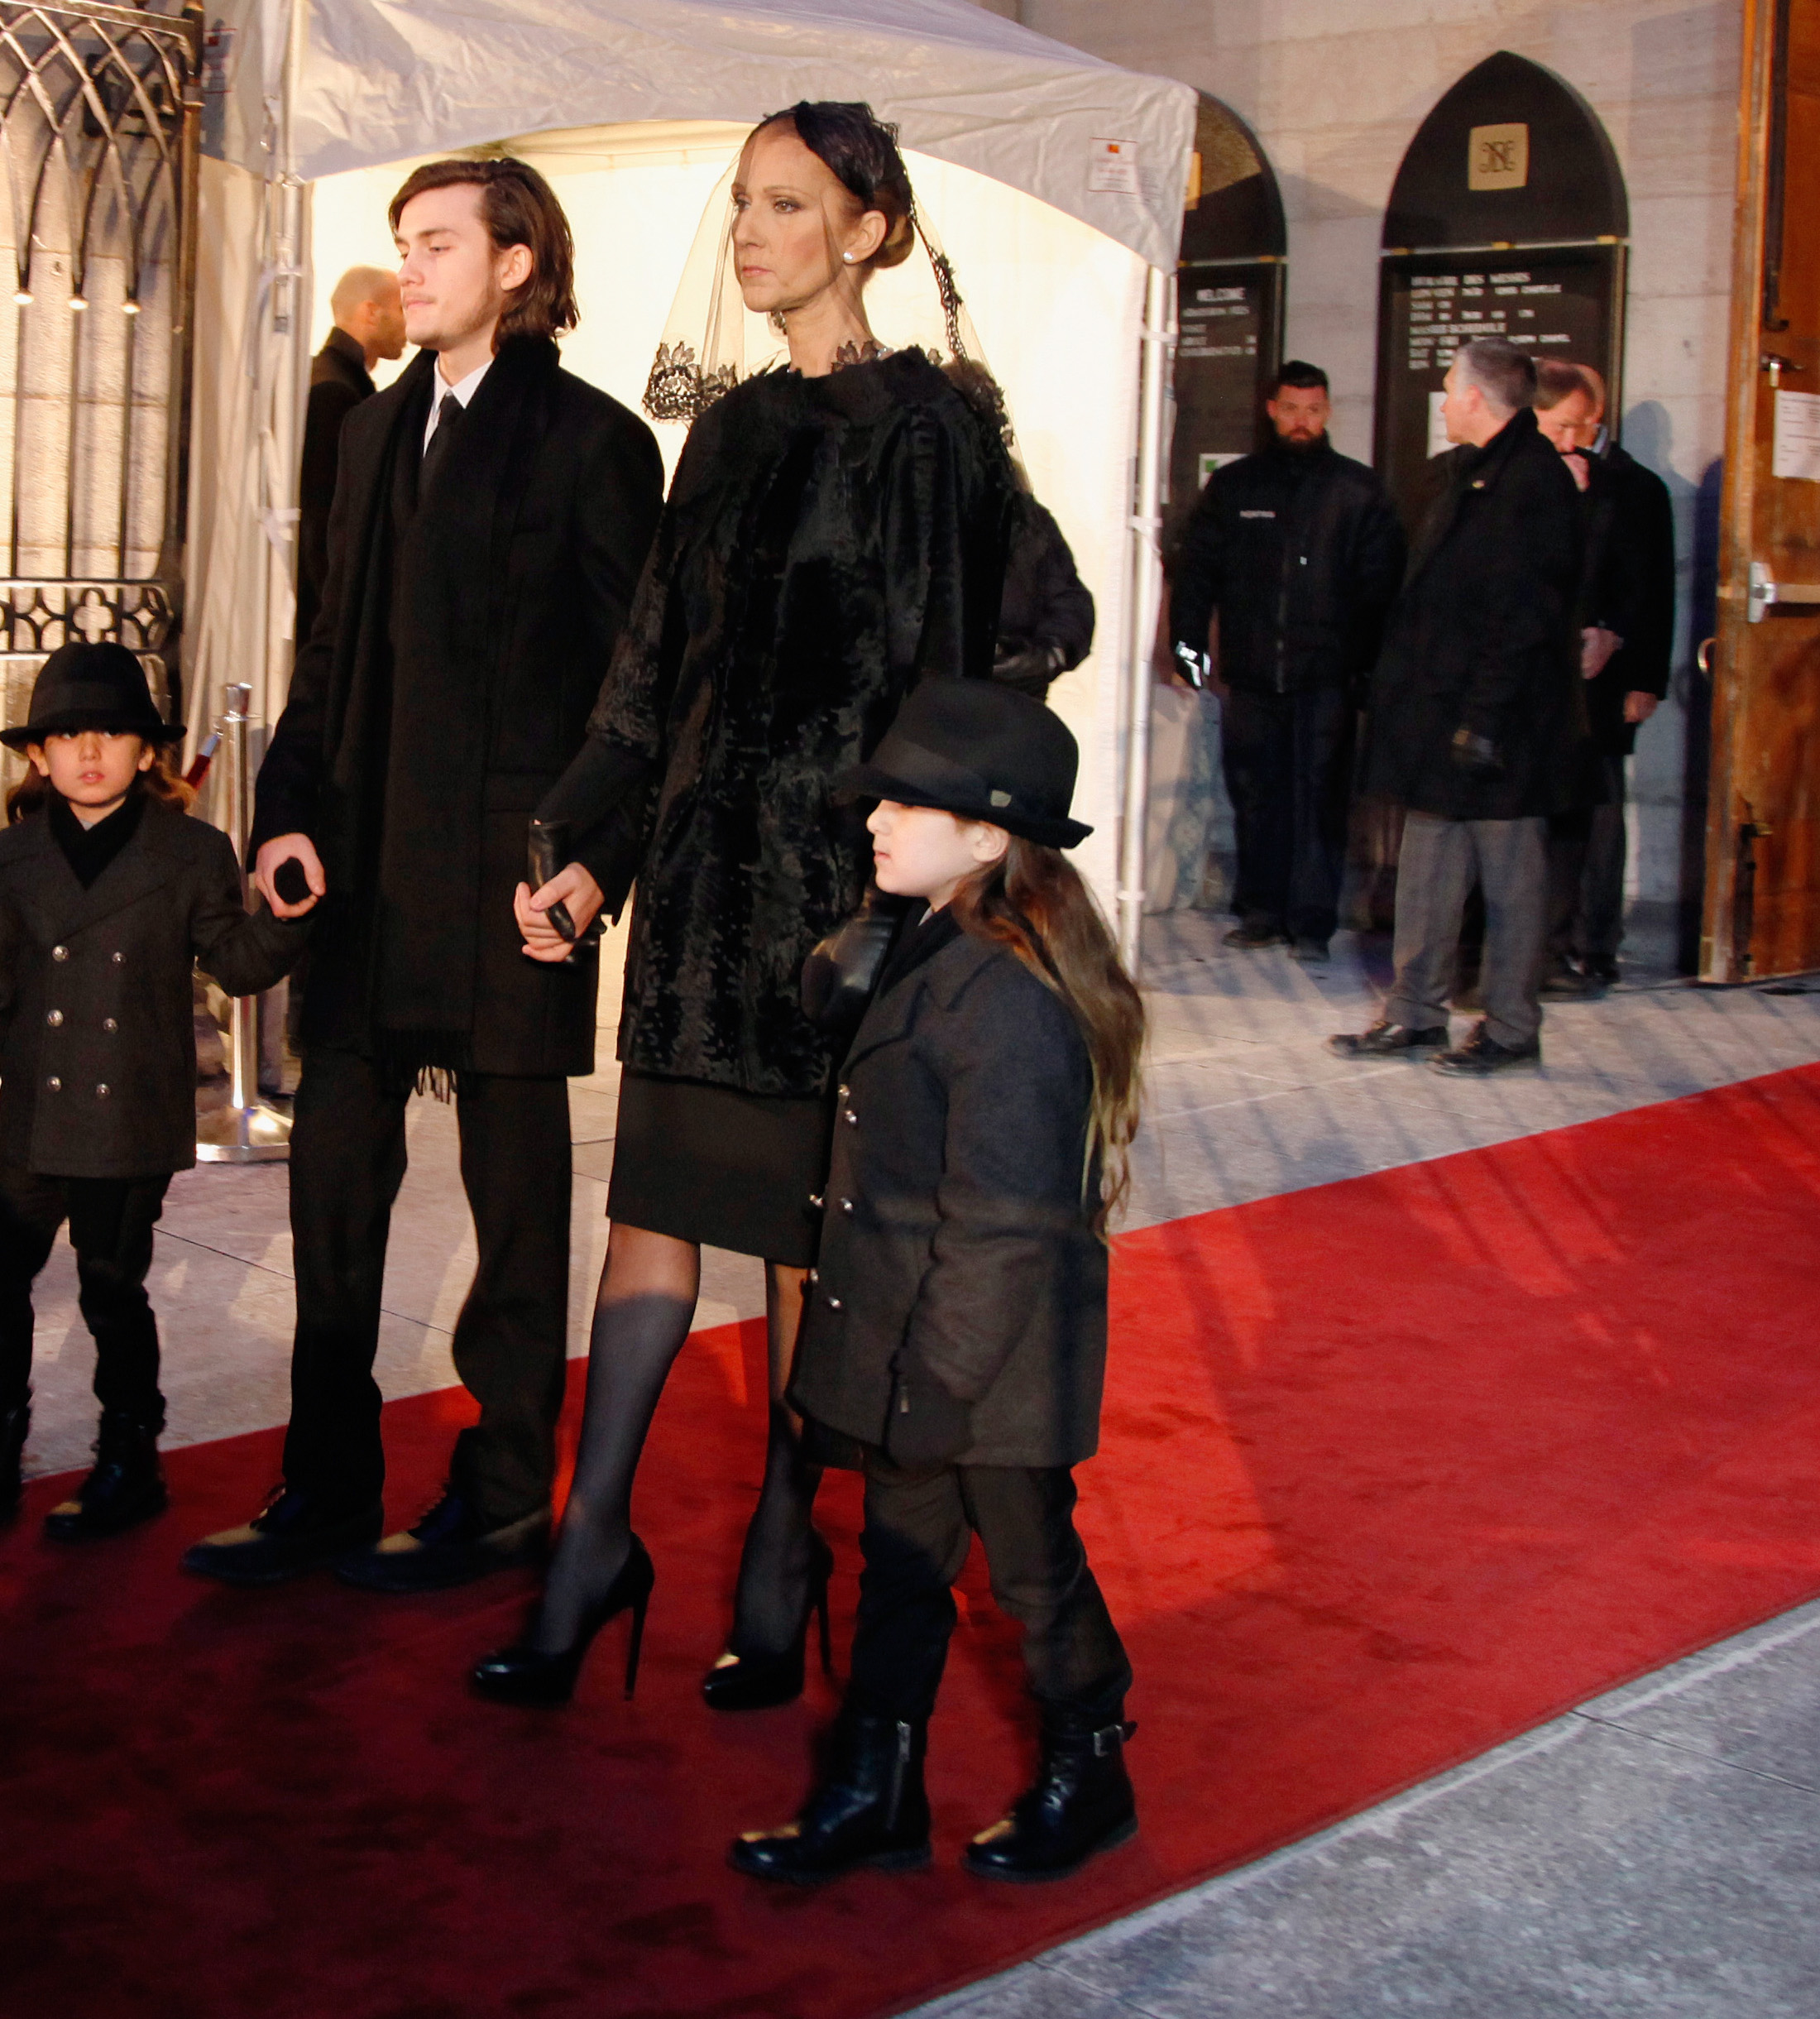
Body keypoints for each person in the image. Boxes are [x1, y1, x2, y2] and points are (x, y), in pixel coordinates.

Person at [474, 101, 1041, 1709]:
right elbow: (653, 674)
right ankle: (588, 1548)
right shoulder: (720, 435)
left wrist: (916, 875)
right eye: (741, 204)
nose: (749, 234)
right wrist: (587, 849)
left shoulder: (930, 432)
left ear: (864, 229)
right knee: (643, 1227)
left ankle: (784, 1551)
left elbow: (994, 647)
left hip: (826, 920)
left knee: (804, 1251)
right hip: (699, 900)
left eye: (785, 206)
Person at [180, 159, 664, 1591]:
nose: (412, 268)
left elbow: (639, 687)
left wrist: (588, 866)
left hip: (513, 897)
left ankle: (507, 1492)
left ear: (517, 265)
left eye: (439, 243)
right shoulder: (374, 429)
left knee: (516, 1217)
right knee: (330, 1199)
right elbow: (325, 653)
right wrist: (284, 815)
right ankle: (322, 1486)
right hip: (365, 895)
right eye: (401, 245)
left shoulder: (593, 442)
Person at [729, 679, 1142, 1886]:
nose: (876, 819)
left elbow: (1003, 1229)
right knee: (900, 1565)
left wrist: (941, 1386)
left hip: (983, 1359)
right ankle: (876, 1790)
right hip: (917, 1336)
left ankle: (1090, 1765)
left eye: (908, 804)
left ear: (986, 835)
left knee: (1026, 1570)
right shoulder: (930, 936)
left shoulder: (1008, 999)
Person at [0, 642, 304, 1535]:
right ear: (37, 754)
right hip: (38, 1116)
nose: (87, 752)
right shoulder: (11, 857)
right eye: (67, 734)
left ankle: (129, 1458)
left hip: (126, 1117)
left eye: (110, 733)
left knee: (112, 1288)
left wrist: (290, 918)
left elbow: (232, 962)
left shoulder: (190, 852)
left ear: (146, 752)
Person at [1327, 337, 1582, 1075]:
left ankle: (1509, 1027)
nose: (1442, 398)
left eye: (1448, 386)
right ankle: (1414, 1014)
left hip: (1498, 725)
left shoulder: (1532, 482)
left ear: (1475, 397)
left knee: (1510, 882)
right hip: (1439, 719)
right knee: (1427, 871)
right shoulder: (1462, 476)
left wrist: (1484, 721)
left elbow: (1526, 617)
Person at [1170, 360, 1405, 962]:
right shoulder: (1235, 487)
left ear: (1327, 413)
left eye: (1314, 409)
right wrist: (1187, 649)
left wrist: (1371, 673)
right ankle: (1260, 911)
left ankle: (1311, 921)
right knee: (1255, 793)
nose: (1302, 421)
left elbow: (1382, 588)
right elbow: (1197, 574)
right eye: (1292, 409)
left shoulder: (1357, 491)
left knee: (1321, 799)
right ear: (1272, 410)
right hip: (1251, 673)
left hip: (1327, 677)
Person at [1531, 358, 1673, 995]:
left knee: (1600, 812)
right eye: (1566, 424)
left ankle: (1596, 941)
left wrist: (1645, 679)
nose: (1577, 435)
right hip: (1546, 674)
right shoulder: (1534, 478)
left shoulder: (1636, 487)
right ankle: (1547, 942)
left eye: (1585, 423)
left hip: (1609, 679)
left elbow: (1652, 591)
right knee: (1551, 813)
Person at [297, 266, 405, 613]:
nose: (409, 322)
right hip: (327, 611)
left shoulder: (334, 380)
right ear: (371, 312)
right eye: (401, 308)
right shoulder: (334, 391)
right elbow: (323, 520)